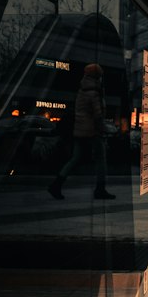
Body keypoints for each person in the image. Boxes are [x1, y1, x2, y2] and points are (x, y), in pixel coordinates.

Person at [48, 63, 114, 200]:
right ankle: (100, 189)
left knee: (75, 158)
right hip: (92, 131)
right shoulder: (94, 92)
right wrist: (103, 130)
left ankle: (56, 184)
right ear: (97, 77)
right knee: (101, 160)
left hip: (79, 130)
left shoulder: (82, 90)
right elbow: (98, 115)